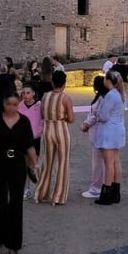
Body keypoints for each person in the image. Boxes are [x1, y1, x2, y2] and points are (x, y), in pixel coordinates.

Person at [0, 91, 37, 254]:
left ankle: (13, 244)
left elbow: (29, 145)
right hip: (0, 165)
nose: (12, 107)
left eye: (15, 104)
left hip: (17, 165)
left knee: (16, 205)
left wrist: (35, 164)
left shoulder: (23, 122)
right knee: (1, 204)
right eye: (9, 104)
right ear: (3, 104)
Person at [35, 70, 75, 205]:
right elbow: (71, 119)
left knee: (47, 162)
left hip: (48, 130)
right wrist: (63, 117)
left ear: (52, 82)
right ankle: (58, 196)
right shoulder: (65, 98)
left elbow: (42, 115)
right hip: (61, 129)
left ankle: (41, 194)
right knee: (62, 163)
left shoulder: (45, 96)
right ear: (64, 83)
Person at [93, 71, 126, 204]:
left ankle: (106, 192)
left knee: (108, 163)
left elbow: (103, 116)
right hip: (117, 128)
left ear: (108, 81)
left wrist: (97, 114)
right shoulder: (119, 94)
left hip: (109, 130)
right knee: (116, 161)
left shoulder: (111, 95)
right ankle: (116, 192)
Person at [80, 75, 108, 199]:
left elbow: (96, 115)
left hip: (99, 133)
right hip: (96, 132)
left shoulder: (102, 99)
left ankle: (96, 188)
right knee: (100, 161)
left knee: (98, 163)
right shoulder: (100, 97)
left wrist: (86, 124)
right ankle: (101, 186)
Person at [18, 84, 42, 200]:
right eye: (23, 93)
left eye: (28, 93)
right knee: (24, 165)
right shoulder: (19, 106)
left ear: (33, 93)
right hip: (23, 139)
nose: (25, 95)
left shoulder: (39, 105)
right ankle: (26, 189)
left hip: (35, 139)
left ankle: (40, 188)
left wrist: (40, 131)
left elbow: (44, 120)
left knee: (34, 164)